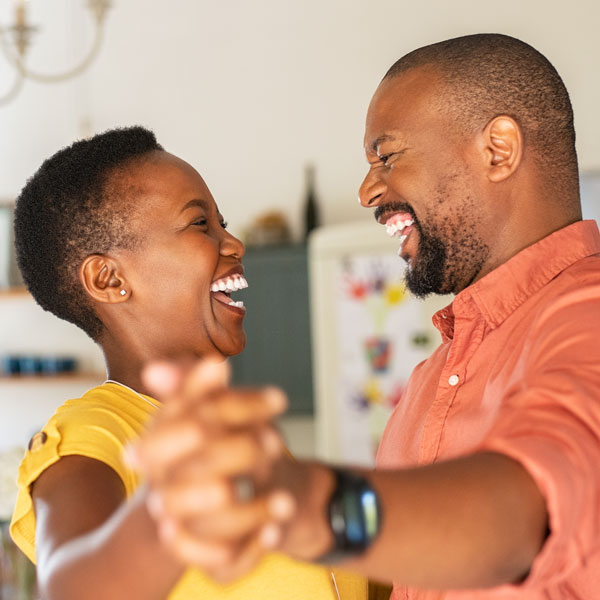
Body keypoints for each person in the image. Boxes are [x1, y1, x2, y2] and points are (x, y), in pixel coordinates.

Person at [131, 34, 600, 599]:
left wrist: (302, 505)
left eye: (387, 156)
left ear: (498, 150)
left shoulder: (585, 313)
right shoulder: (432, 379)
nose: (366, 190)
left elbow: (525, 513)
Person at [9, 126, 367, 599]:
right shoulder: (92, 432)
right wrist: (171, 514)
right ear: (109, 277)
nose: (234, 243)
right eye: (201, 224)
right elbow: (71, 585)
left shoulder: (236, 439)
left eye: (223, 223)